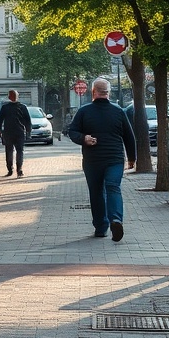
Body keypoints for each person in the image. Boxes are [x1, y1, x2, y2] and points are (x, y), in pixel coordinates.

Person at [66, 77, 136, 242]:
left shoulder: (84, 111)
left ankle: (100, 227)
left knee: (96, 192)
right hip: (115, 159)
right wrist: (132, 158)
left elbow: (72, 131)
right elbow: (129, 136)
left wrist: (84, 139)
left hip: (92, 160)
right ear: (108, 93)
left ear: (93, 92)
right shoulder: (119, 111)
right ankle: (116, 219)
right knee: (113, 188)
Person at [0, 89, 32, 178]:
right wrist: (28, 131)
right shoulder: (22, 107)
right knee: (19, 151)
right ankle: (19, 170)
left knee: (9, 151)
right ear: (17, 97)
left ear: (8, 97)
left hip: (8, 132)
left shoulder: (5, 107)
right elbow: (28, 120)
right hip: (19, 132)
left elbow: (0, 119)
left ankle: (10, 170)